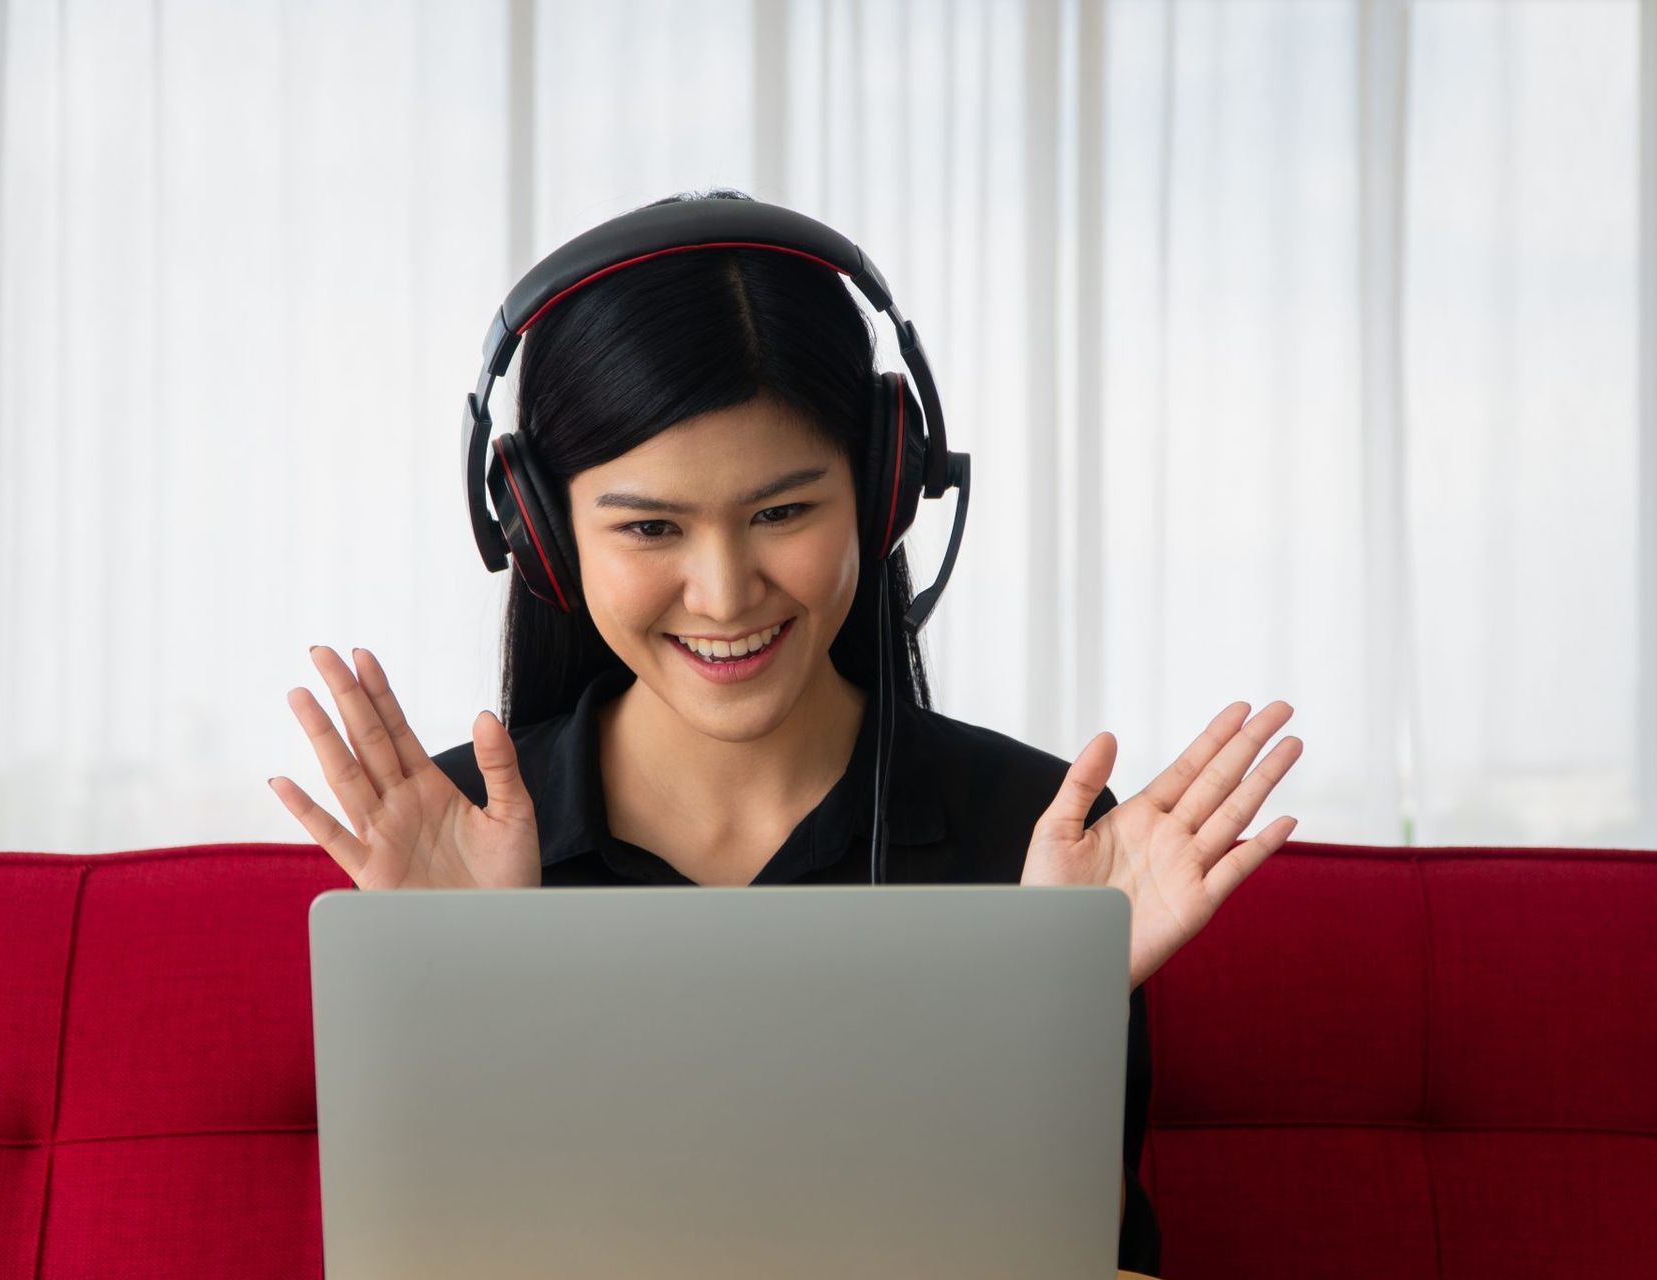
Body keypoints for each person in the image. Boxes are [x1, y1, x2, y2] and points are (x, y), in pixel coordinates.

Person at [266, 188, 1303, 1278]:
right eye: (651, 527)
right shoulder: (450, 854)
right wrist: (466, 989)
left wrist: (1037, 1000)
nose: (723, 593)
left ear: (884, 489)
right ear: (542, 531)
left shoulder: (1051, 851)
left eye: (782, 513)